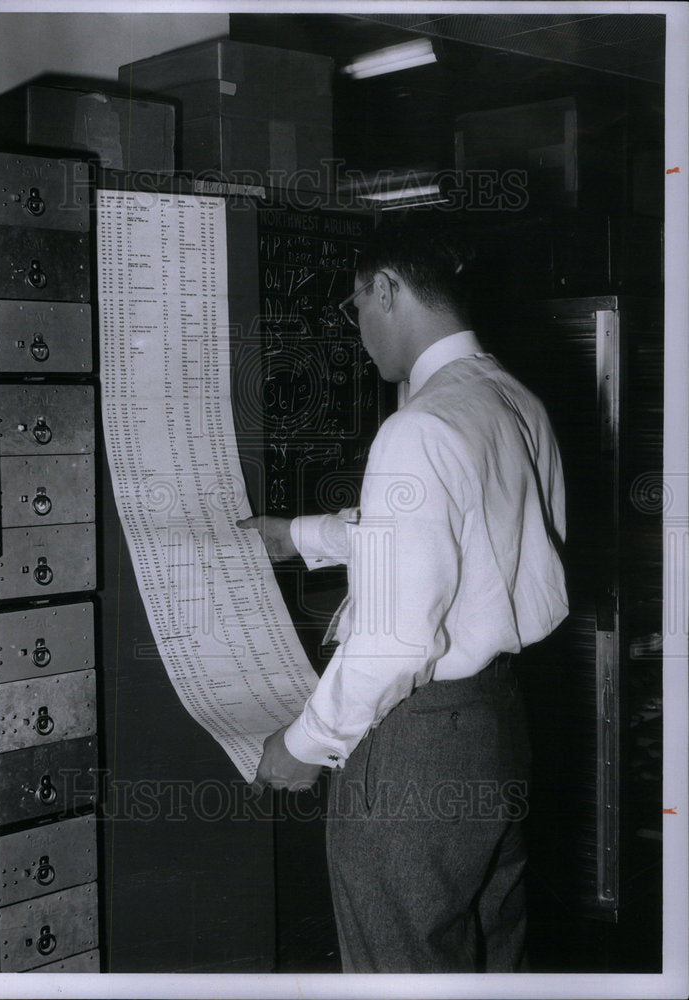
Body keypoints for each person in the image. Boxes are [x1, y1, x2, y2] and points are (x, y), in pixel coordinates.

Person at [238, 217, 568, 973]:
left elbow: (394, 640)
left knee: (398, 972)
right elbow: (464, 538)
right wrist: (300, 534)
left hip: (417, 749)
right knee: (494, 959)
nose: (358, 333)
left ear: (385, 289)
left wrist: (301, 746)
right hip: (498, 732)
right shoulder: (512, 400)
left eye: (355, 308)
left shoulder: (416, 428)